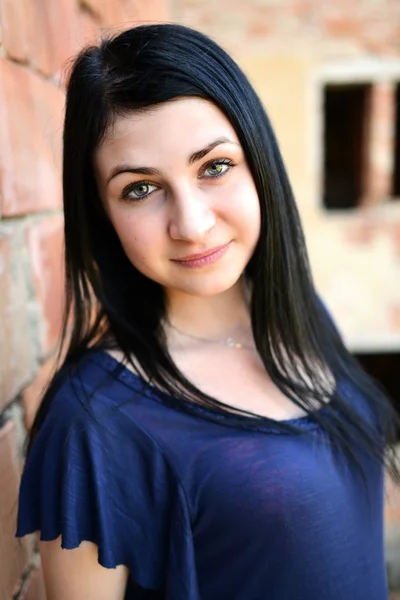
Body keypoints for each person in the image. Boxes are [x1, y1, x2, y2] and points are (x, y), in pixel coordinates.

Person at [16, 23, 399, 600]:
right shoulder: (97, 421)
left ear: (258, 161)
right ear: (102, 215)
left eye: (214, 167)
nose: (191, 224)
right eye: (140, 189)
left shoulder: (299, 318)